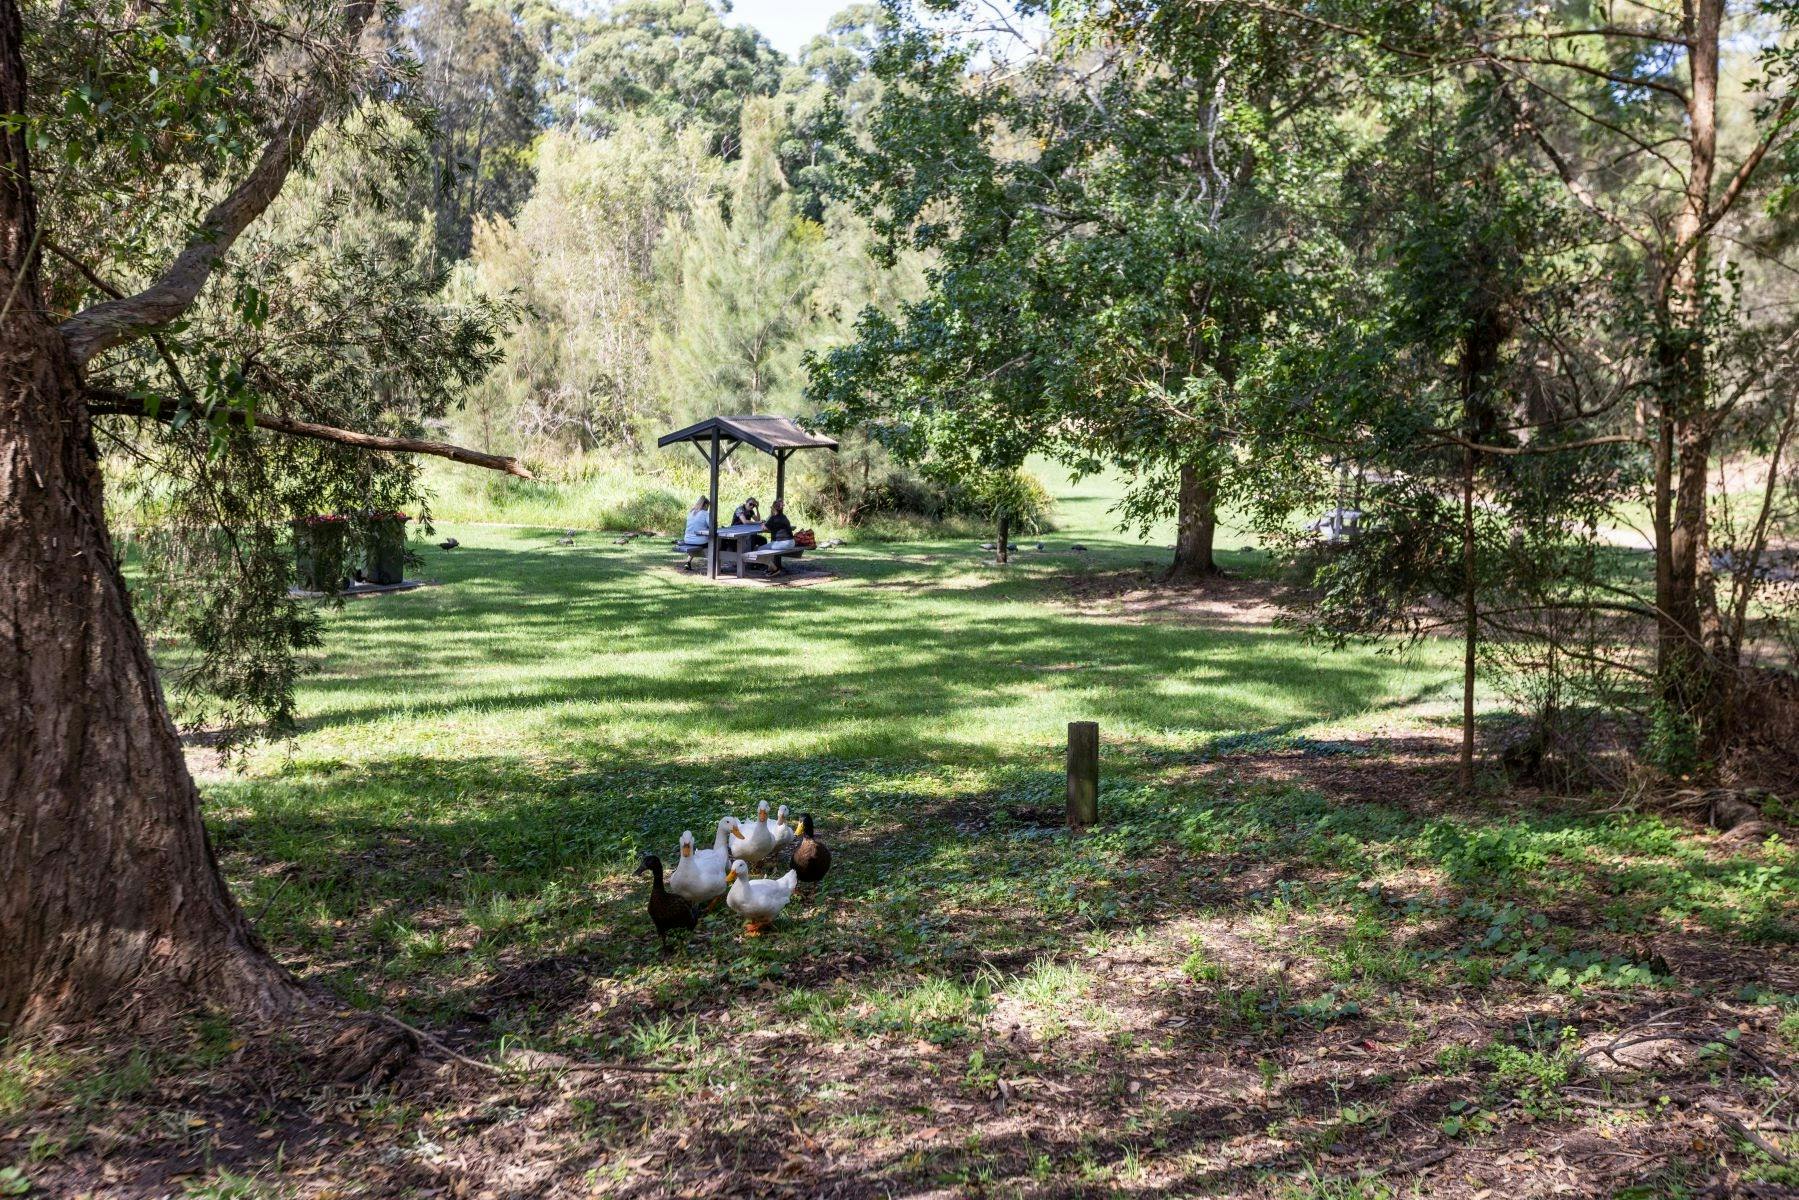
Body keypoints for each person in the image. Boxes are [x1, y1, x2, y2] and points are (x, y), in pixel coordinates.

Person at [762, 498, 795, 575]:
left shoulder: (773, 518)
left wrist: (763, 523)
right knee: (768, 548)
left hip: (784, 543)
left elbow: (764, 528)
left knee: (759, 549)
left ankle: (775, 569)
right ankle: (770, 568)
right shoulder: (783, 516)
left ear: (773, 508)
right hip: (791, 542)